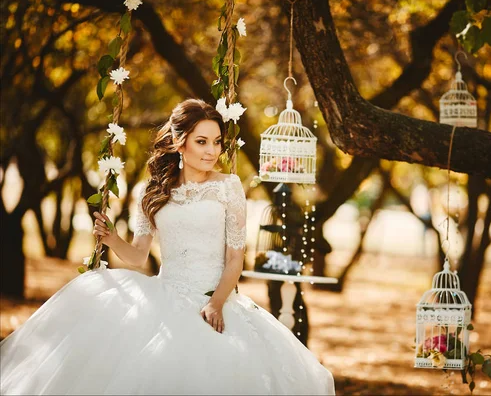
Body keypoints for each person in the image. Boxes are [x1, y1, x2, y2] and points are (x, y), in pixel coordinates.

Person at [0, 99, 335, 395]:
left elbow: (235, 258)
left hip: (217, 302)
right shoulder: (153, 192)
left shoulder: (228, 187)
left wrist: (216, 305)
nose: (212, 151)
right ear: (179, 143)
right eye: (201, 141)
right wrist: (112, 239)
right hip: (166, 296)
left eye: (217, 142)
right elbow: (138, 256)